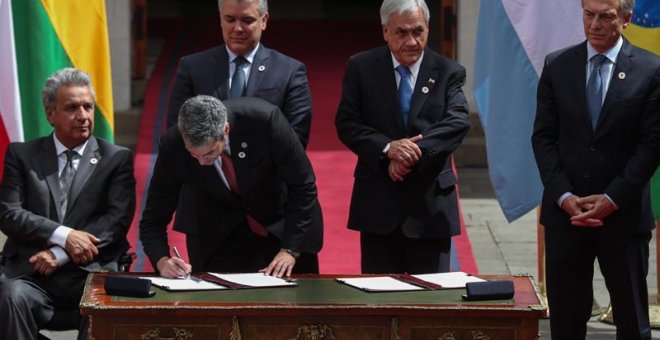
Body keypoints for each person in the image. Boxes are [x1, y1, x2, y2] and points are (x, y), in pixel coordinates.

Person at [532, 0, 660, 338]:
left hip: (623, 217)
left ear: (627, 19)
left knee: (632, 322)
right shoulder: (557, 65)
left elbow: (651, 145)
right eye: (589, 15)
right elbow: (543, 138)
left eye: (606, 16)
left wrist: (612, 198)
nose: (595, 24)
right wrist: (563, 195)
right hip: (566, 217)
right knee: (566, 325)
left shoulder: (651, 69)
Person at [166, 0, 313, 269]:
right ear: (220, 19)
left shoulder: (289, 71)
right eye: (230, 19)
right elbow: (176, 136)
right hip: (210, 217)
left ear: (264, 20)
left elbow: (295, 140)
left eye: (247, 20)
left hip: (271, 218)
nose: (237, 28)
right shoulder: (193, 68)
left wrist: (244, 168)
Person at [335, 0, 470, 274]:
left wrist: (409, 154)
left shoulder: (448, 71)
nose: (412, 41)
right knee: (381, 302)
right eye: (401, 32)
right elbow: (347, 123)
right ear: (385, 31)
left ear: (428, 28)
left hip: (430, 205)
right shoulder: (361, 67)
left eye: (418, 31)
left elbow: (457, 122)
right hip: (378, 205)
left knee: (431, 305)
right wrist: (387, 149)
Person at [0, 68, 136, 340]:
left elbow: (115, 222)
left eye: (88, 106)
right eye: (72, 108)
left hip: (89, 274)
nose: (83, 116)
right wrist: (64, 235)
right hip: (31, 274)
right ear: (50, 114)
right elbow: (9, 213)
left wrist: (59, 253)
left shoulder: (116, 159)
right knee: (10, 297)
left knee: (102, 304)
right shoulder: (22, 155)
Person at [140, 96, 322, 278]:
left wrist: (290, 249)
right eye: (194, 155)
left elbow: (304, 186)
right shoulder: (173, 145)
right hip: (222, 232)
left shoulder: (265, 119)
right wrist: (162, 260)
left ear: (226, 130)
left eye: (210, 152)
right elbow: (154, 216)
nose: (202, 162)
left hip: (282, 223)